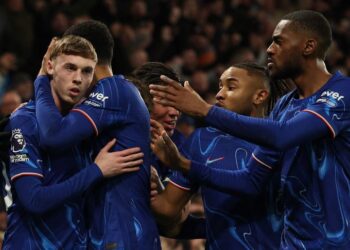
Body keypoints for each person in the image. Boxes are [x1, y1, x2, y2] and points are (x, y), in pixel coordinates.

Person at [149, 10, 350, 248]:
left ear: (308, 46)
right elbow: (250, 180)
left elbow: (283, 135)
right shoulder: (285, 106)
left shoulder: (342, 92)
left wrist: (205, 110)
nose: (269, 49)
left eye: (279, 41)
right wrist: (183, 165)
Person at [2, 35, 143, 249]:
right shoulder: (25, 119)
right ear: (50, 67)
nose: (78, 78)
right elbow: (33, 200)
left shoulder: (83, 127)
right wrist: (97, 170)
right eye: (70, 68)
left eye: (86, 71)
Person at [34, 21, 160, 249]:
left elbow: (53, 135)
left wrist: (42, 77)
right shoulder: (104, 98)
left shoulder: (113, 90)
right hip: (109, 234)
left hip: (122, 235)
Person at [150, 62, 290, 249]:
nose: (219, 94)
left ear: (259, 96)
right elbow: (167, 210)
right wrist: (146, 178)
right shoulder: (202, 140)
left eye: (231, 87)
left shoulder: (282, 140)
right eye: (219, 86)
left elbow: (249, 184)